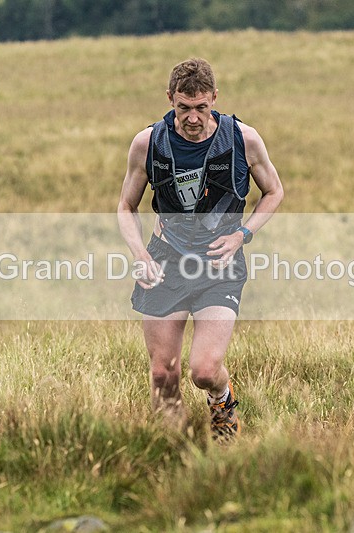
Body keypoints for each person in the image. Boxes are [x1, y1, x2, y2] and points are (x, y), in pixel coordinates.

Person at [117, 58, 284, 442]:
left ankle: (222, 404)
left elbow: (274, 191)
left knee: (204, 370)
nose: (192, 118)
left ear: (214, 99)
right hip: (165, 261)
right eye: (183, 108)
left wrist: (242, 234)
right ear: (170, 99)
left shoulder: (243, 139)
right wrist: (140, 254)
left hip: (219, 263)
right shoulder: (148, 143)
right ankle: (174, 446)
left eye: (201, 107)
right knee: (163, 373)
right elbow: (126, 206)